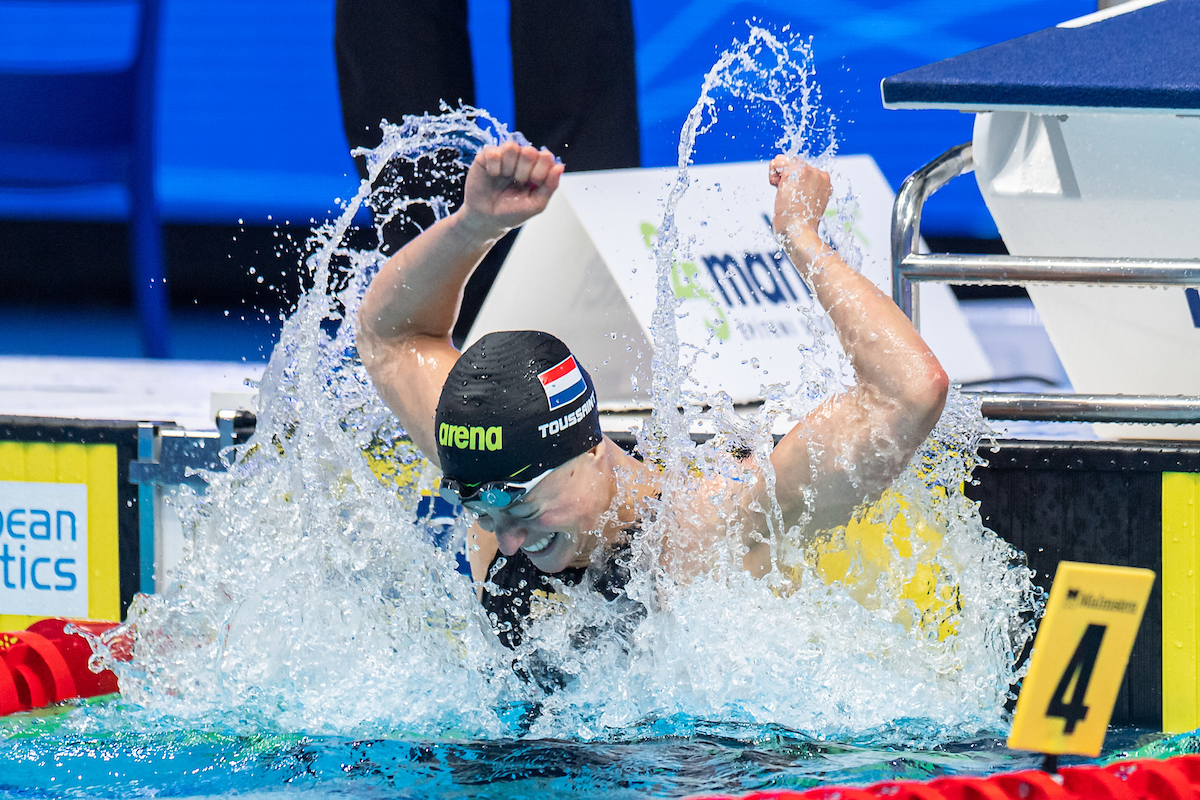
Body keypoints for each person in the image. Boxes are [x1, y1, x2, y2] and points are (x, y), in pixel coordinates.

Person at [357, 140, 949, 649]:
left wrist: (800, 237)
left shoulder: (714, 534)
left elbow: (908, 392)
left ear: (587, 447)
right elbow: (391, 337)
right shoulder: (491, 469)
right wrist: (474, 226)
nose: (506, 539)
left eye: (523, 510)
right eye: (482, 514)